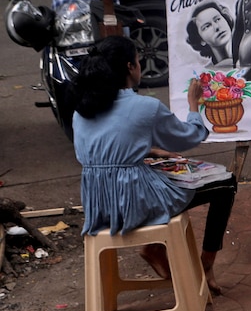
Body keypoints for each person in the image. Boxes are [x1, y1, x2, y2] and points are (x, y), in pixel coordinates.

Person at [73, 35, 238, 294]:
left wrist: (152, 150)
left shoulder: (83, 108)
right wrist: (193, 105)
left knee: (163, 170)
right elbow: (190, 136)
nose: (139, 66)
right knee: (227, 184)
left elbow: (102, 150)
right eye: (138, 61)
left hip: (99, 204)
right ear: (130, 67)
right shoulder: (144, 107)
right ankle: (206, 263)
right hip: (134, 202)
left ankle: (155, 248)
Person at [187, 1, 234, 67]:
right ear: (201, 39)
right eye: (207, 26)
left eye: (217, 19)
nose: (216, 27)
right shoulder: (205, 73)